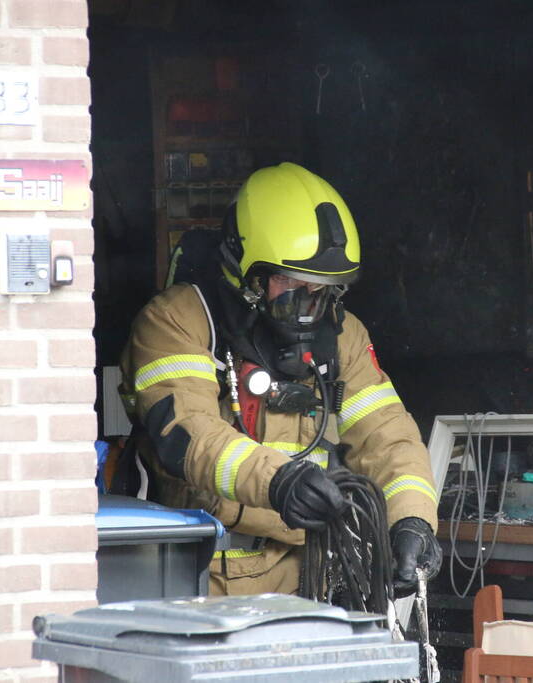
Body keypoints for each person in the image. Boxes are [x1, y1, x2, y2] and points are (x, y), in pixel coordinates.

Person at [119, 162, 442, 597]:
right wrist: (281, 480)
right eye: (290, 284)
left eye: (322, 288)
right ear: (245, 271)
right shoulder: (177, 321)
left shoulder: (343, 336)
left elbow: (388, 437)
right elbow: (190, 433)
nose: (309, 305)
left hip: (307, 576)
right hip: (198, 576)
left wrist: (413, 520)